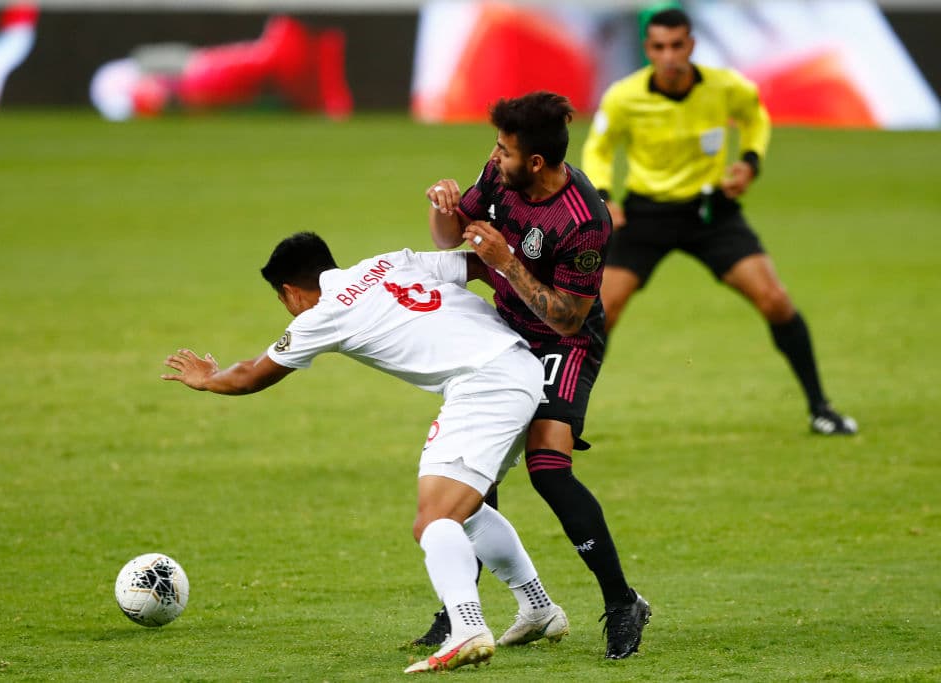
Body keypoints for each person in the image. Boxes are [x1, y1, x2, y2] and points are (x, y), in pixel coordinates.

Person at [162, 232, 569, 674]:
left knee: (434, 520)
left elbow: (250, 376)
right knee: (464, 511)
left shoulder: (323, 314)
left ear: (289, 291)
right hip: (524, 367)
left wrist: (206, 378)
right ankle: (539, 609)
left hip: (485, 386)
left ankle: (468, 627)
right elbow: (481, 264)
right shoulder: (392, 261)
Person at [423, 91, 650, 660]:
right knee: (479, 466)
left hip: (563, 343)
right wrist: (444, 204)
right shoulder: (501, 176)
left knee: (549, 469)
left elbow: (569, 315)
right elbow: (452, 238)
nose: (495, 158)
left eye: (505, 150)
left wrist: (505, 263)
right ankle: (461, 611)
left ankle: (622, 603)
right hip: (503, 336)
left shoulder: (584, 220)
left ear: (538, 163)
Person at [581, 7, 857, 436]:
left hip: (710, 214)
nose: (669, 55)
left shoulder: (726, 87)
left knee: (775, 300)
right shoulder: (624, 96)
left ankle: (821, 408)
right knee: (601, 313)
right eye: (659, 47)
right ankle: (566, 421)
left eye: (677, 45)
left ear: (691, 44)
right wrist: (603, 197)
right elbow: (598, 148)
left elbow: (755, 118)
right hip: (645, 215)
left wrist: (750, 161)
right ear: (647, 49)